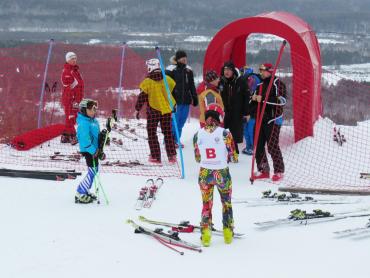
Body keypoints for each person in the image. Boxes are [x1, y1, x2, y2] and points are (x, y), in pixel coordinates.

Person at [193, 105, 238, 247]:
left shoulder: (197, 134)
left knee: (206, 204)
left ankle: (206, 234)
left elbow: (198, 158)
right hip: (222, 173)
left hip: (205, 173)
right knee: (226, 203)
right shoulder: (225, 134)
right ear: (219, 117)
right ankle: (228, 232)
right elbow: (234, 156)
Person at [135, 58, 177, 164]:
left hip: (153, 111)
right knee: (167, 133)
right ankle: (172, 156)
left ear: (149, 67)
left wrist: (137, 109)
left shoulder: (147, 82)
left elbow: (142, 97)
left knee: (152, 133)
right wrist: (174, 105)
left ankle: (155, 156)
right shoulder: (168, 80)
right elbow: (173, 93)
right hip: (166, 110)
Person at [251, 63, 287, 182]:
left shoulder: (278, 83)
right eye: (260, 70)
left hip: (273, 119)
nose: (261, 72)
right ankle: (263, 170)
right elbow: (255, 101)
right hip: (260, 119)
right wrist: (253, 99)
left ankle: (279, 171)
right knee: (259, 146)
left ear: (270, 71)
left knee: (272, 146)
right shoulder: (260, 85)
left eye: (263, 70)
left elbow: (282, 100)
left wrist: (264, 99)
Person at [166, 50, 198, 148]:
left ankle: (177, 140)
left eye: (185, 58)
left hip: (186, 100)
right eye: (182, 58)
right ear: (177, 59)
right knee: (174, 121)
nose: (184, 60)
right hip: (175, 101)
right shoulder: (171, 69)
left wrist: (194, 96)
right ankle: (169, 141)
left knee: (181, 122)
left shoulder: (188, 70)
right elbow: (167, 85)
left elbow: (192, 85)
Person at [219, 61, 250, 155]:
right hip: (225, 111)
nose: (226, 72)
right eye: (225, 70)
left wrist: (247, 112)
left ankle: (234, 153)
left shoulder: (240, 81)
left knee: (235, 133)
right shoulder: (221, 81)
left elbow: (246, 97)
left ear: (233, 71)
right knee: (225, 132)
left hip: (237, 111)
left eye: (228, 70)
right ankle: (229, 152)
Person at [75, 98, 100, 204]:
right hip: (88, 150)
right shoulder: (83, 123)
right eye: (92, 109)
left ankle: (85, 190)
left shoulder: (93, 121)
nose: (95, 111)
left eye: (95, 108)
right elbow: (85, 140)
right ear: (84, 110)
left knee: (94, 170)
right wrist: (93, 151)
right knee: (92, 171)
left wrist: (103, 139)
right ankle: (80, 192)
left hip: (94, 150)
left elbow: (96, 135)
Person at [61, 51, 84, 145]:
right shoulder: (67, 71)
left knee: (72, 116)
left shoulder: (75, 71)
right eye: (72, 59)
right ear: (67, 60)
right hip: (70, 99)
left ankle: (65, 136)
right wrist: (73, 98)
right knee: (70, 117)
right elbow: (68, 86)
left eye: (75, 58)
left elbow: (80, 85)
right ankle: (72, 136)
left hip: (76, 99)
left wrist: (79, 98)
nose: (74, 60)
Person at [240, 66, 261, 155]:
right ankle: (249, 146)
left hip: (252, 111)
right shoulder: (243, 80)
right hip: (245, 110)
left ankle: (252, 147)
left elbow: (254, 95)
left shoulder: (254, 79)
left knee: (250, 129)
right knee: (246, 129)